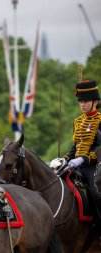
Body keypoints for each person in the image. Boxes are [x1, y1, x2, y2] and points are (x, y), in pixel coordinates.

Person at [61, 80, 101, 220]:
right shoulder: (77, 121)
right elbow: (76, 146)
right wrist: (65, 159)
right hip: (75, 165)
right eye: (81, 101)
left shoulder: (100, 120)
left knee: (96, 193)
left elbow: (99, 148)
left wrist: (83, 159)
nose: (83, 104)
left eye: (86, 101)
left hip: (93, 166)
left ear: (95, 102)